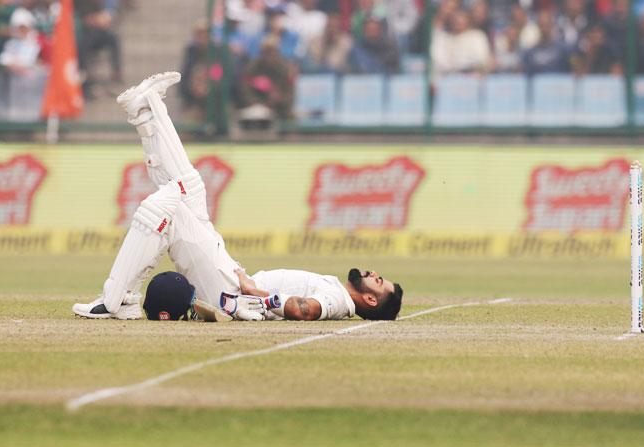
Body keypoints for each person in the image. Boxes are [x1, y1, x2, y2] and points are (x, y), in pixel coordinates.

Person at [72, 72, 403, 322]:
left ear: (371, 301)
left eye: (379, 282)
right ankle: (145, 111)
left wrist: (254, 290)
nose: (375, 274)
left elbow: (302, 310)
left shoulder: (339, 301)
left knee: (168, 204)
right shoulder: (338, 288)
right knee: (190, 185)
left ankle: (112, 300)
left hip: (230, 294)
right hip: (232, 278)